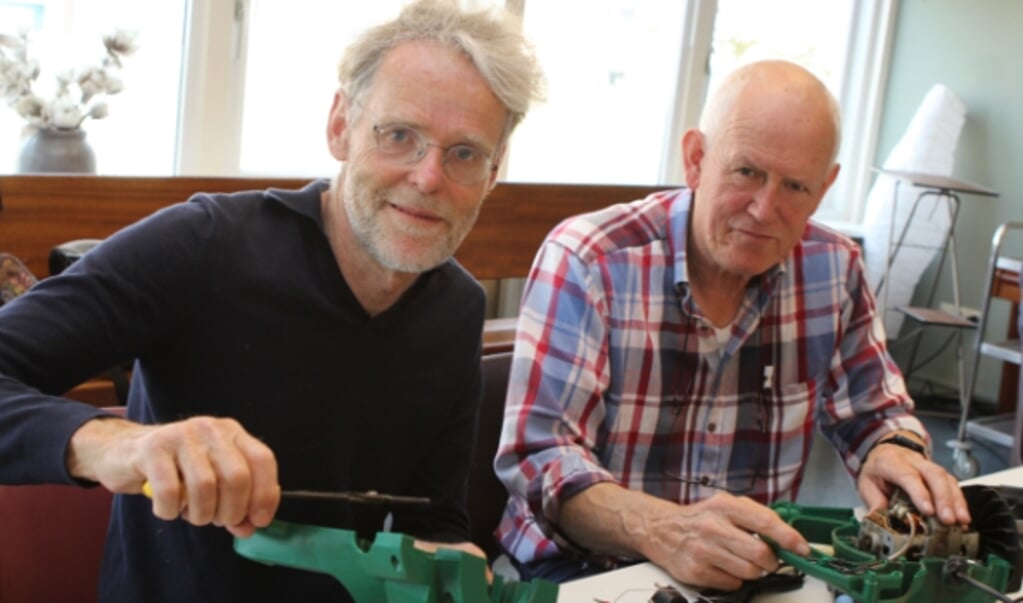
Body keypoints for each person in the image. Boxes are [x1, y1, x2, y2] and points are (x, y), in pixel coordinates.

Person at [0, 1, 543, 601]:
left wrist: (449, 560)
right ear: (341, 126)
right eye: (399, 136)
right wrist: (115, 442)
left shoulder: (457, 309)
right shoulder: (202, 244)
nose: (428, 177)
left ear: (493, 174)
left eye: (464, 153)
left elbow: (432, 517)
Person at [493, 59, 971, 591]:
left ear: (826, 186)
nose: (765, 209)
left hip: (748, 574)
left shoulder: (834, 268)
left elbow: (875, 412)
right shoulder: (589, 260)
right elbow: (540, 457)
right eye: (747, 172)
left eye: (796, 186)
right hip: (584, 573)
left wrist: (892, 451)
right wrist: (662, 529)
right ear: (696, 159)